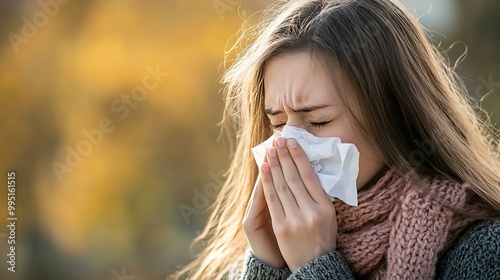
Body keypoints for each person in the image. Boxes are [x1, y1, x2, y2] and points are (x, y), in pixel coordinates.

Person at [170, 0, 500, 279]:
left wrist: (315, 265)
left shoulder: (484, 252)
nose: (290, 145)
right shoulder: (257, 253)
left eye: (318, 121)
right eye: (278, 123)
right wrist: (269, 267)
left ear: (396, 115)